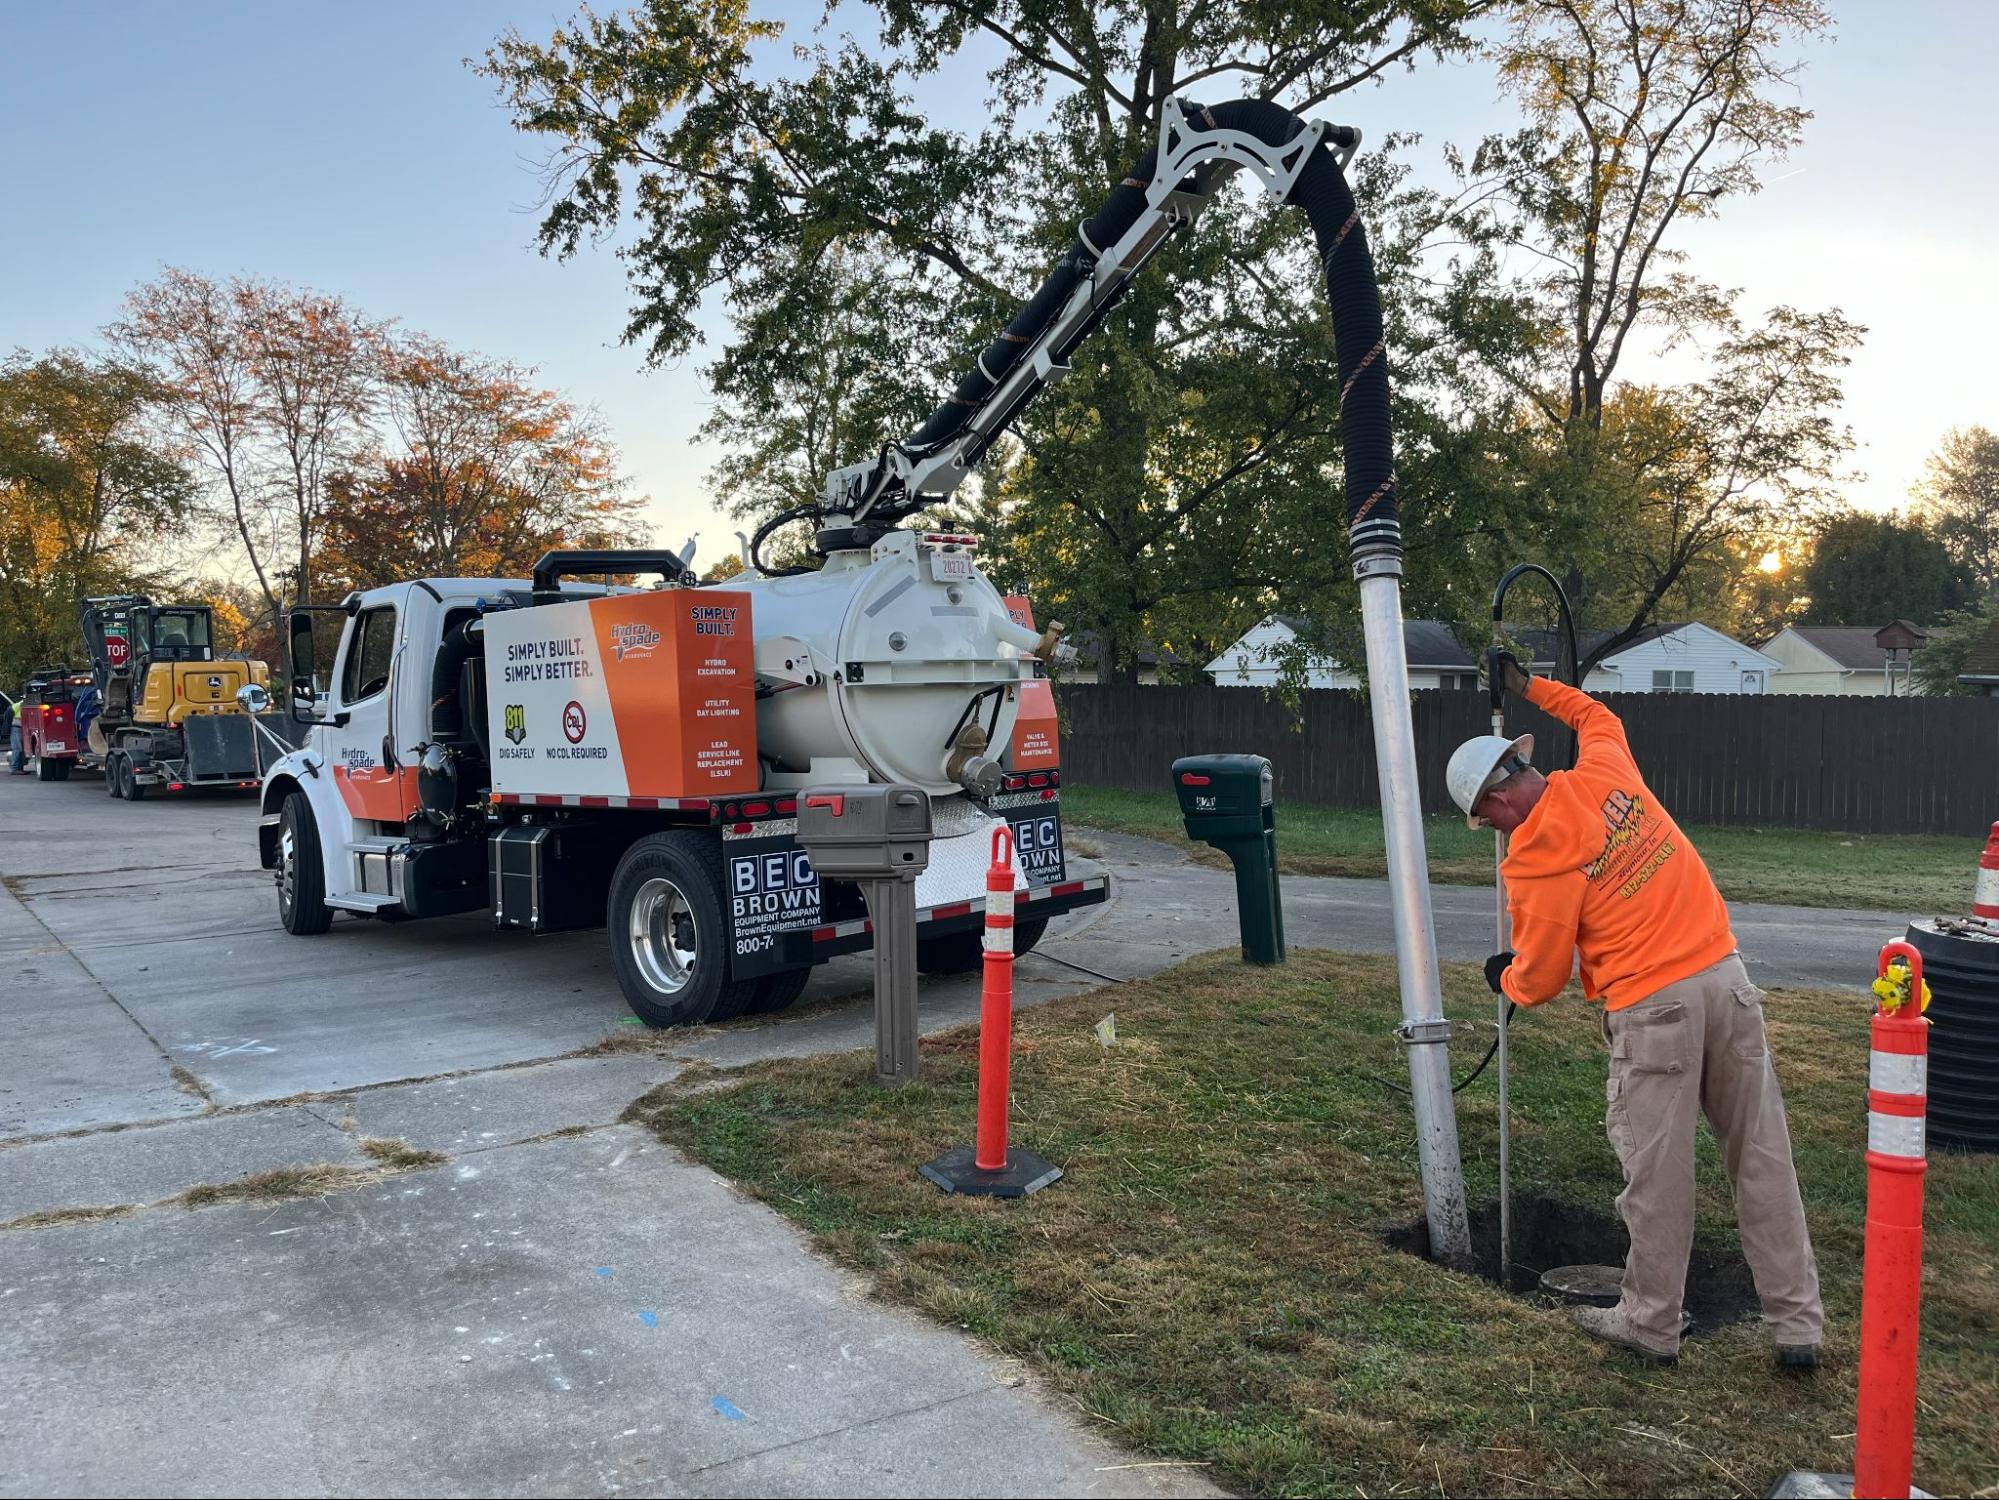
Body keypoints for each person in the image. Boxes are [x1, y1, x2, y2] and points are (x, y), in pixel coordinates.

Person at [1446, 653, 1822, 1370]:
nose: (1493, 832)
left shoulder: (1533, 861)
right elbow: (1597, 716)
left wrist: (1508, 980)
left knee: (1658, 1177)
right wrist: (1531, 688)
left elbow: (1545, 975)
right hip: (1727, 980)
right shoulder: (1605, 772)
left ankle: (1649, 1325)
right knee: (1761, 1159)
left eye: (1485, 822)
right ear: (1522, 768)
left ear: (1492, 807)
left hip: (1656, 1012)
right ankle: (1796, 1325)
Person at [3, 691, 22, 774]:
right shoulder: (20, 705)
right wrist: (7, 729)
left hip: (18, 728)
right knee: (17, 749)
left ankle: (18, 768)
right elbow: (8, 714)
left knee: (19, 749)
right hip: (16, 728)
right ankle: (14, 769)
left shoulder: (19, 704)